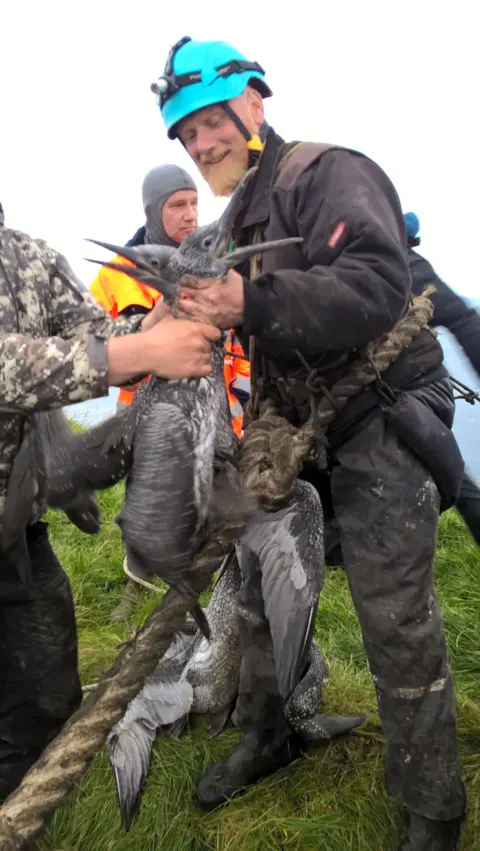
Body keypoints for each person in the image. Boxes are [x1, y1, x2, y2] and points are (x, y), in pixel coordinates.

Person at [151, 37, 467, 849]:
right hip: (295, 434)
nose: (201, 143)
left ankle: (432, 807)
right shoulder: (236, 220)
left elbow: (377, 285)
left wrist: (250, 304)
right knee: (258, 592)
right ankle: (271, 732)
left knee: (394, 616)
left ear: (255, 102)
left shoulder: (328, 174)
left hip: (379, 419)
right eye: (186, 134)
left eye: (210, 122)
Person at [0, 207, 220, 801]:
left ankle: (20, 815)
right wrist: (141, 355)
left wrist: (161, 321)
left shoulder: (31, 256)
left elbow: (96, 335)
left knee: (47, 698)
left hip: (15, 534)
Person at [90, 164, 250, 621]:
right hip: (148, 416)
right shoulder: (117, 275)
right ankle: (137, 590)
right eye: (177, 205)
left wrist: (245, 395)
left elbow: (245, 338)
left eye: (195, 203)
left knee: (218, 501)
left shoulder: (221, 265)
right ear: (153, 211)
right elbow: (93, 346)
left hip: (218, 413)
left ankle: (209, 597)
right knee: (149, 499)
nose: (190, 214)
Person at [405, 211, 480, 545]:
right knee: (454, 474)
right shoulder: (410, 267)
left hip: (391, 405)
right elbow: (464, 320)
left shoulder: (400, 267)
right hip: (404, 403)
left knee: (453, 474)